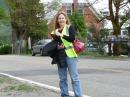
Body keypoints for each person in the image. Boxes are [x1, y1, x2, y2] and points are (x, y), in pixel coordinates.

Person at [50, 11, 83, 97]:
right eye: (59, 18)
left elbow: (72, 39)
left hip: (71, 56)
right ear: (57, 20)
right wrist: (58, 47)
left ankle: (78, 95)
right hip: (60, 56)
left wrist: (61, 34)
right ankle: (64, 95)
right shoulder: (54, 32)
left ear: (66, 19)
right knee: (62, 79)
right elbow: (54, 44)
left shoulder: (70, 27)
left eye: (62, 18)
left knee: (74, 78)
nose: (61, 19)